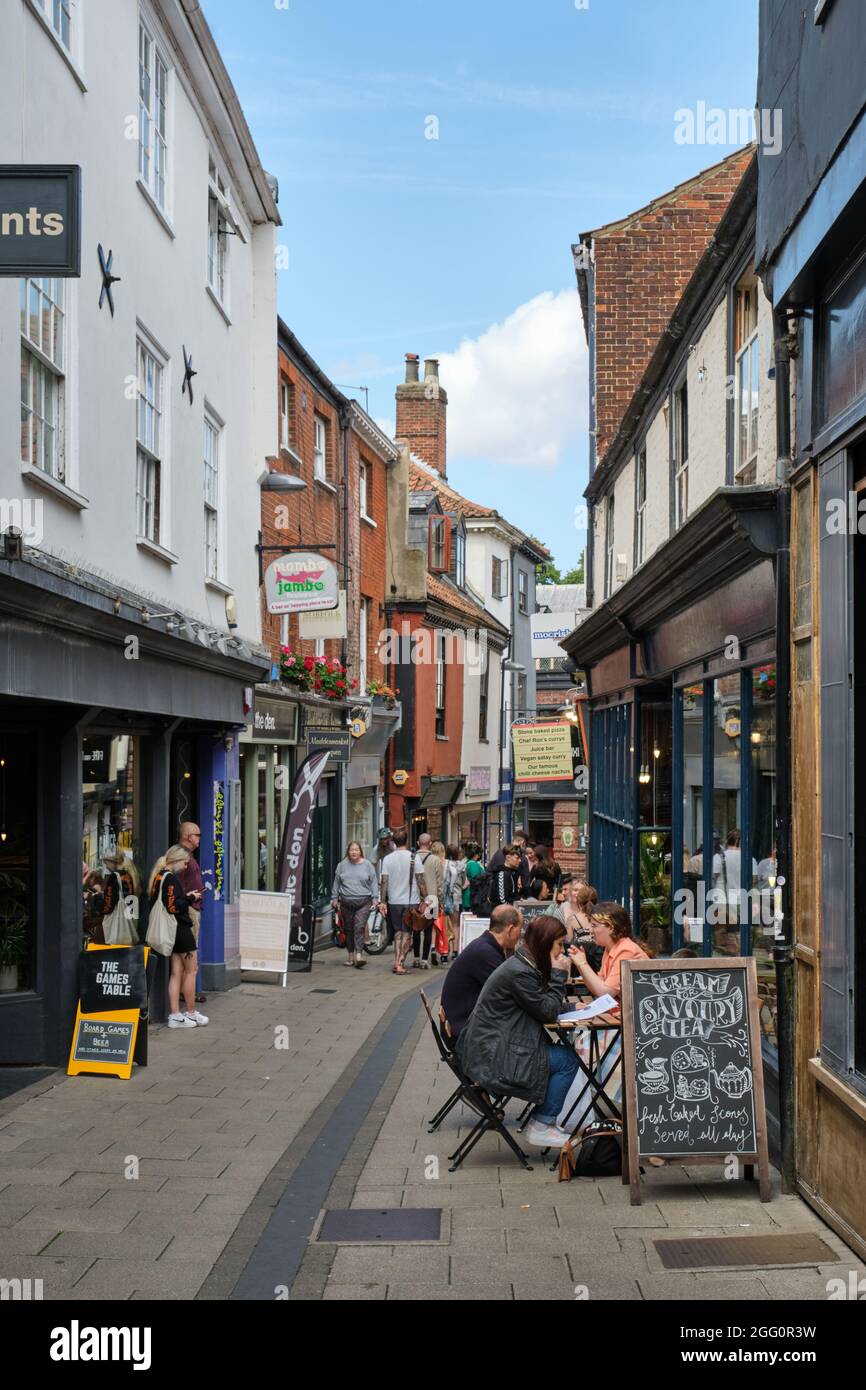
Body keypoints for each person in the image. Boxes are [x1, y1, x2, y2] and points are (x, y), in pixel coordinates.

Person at [457, 914, 579, 1149]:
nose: (562, 950)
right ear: (545, 944)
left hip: (496, 1045)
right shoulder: (520, 972)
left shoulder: (522, 963)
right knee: (567, 1060)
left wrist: (571, 1007)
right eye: (559, 944)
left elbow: (537, 1003)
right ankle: (542, 1124)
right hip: (494, 1056)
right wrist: (558, 975)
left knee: (562, 1055)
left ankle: (545, 1122)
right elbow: (546, 1012)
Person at [440, 905, 522, 1040]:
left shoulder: (486, 946)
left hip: (466, 1026)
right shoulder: (485, 952)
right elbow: (513, 992)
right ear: (511, 929)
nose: (521, 934)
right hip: (466, 1034)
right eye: (521, 928)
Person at [148, 845, 208, 1028]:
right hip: (180, 930)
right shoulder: (171, 879)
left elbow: (168, 902)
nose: (185, 866)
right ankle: (191, 1011)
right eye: (184, 862)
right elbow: (174, 907)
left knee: (176, 972)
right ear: (175, 860)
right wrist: (190, 899)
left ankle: (175, 1014)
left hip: (171, 932)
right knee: (191, 971)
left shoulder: (159, 877)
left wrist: (186, 896)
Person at [572, 902, 649, 1001]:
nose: (590, 930)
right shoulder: (610, 948)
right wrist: (580, 965)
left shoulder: (626, 950)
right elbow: (599, 985)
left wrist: (583, 964)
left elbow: (605, 993)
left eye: (594, 926)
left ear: (611, 928)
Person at [379, 828, 426, 976]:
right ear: (407, 841)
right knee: (407, 934)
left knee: (397, 933)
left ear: (393, 841)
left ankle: (396, 961)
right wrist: (425, 898)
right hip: (410, 901)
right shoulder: (414, 857)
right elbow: (420, 881)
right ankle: (400, 963)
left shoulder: (387, 859)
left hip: (394, 902)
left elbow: (384, 882)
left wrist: (383, 901)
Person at [331, 841, 380, 968]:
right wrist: (334, 898)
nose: (354, 852)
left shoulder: (367, 865)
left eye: (356, 850)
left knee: (359, 927)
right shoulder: (341, 865)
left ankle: (359, 955)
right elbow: (336, 883)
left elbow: (374, 881)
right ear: (348, 851)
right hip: (346, 903)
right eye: (352, 850)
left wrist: (375, 898)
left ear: (360, 851)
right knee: (348, 929)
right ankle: (350, 956)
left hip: (363, 902)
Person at [177, 821, 208, 1003]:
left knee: (182, 959)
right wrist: (190, 898)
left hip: (191, 908)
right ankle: (187, 995)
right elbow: (178, 883)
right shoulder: (182, 857)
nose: (199, 838)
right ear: (189, 836)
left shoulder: (186, 856)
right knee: (189, 957)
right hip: (189, 910)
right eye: (198, 835)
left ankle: (184, 991)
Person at [413, 833, 444, 969]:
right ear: (430, 843)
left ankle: (415, 958)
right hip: (432, 900)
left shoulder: (412, 858)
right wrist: (441, 901)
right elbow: (440, 884)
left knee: (415, 929)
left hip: (414, 899)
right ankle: (425, 959)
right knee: (428, 929)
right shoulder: (435, 860)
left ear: (418, 843)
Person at [98, 850, 141, 945]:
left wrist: (99, 906)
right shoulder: (131, 875)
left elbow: (108, 905)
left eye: (106, 862)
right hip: (131, 922)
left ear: (113, 862)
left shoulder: (115, 877)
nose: (106, 865)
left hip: (118, 925)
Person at [442, 844, 465, 962]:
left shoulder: (443, 864)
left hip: (444, 898)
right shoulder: (461, 865)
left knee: (444, 925)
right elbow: (464, 882)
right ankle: (455, 952)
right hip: (456, 897)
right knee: (455, 925)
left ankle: (444, 952)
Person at [488, 830, 530, 895]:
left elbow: (489, 871)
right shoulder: (522, 857)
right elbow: (525, 883)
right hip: (510, 895)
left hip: (493, 893)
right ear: (523, 842)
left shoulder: (499, 852)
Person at [488, 844, 522, 909]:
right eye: (517, 858)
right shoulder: (503, 874)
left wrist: (518, 899)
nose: (520, 860)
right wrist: (513, 908)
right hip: (503, 914)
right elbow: (502, 900)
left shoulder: (512, 873)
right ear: (508, 857)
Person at [462, 842, 484, 912]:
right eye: (479, 854)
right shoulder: (473, 864)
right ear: (476, 855)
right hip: (472, 895)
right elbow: (477, 879)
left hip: (467, 894)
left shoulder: (467, 862)